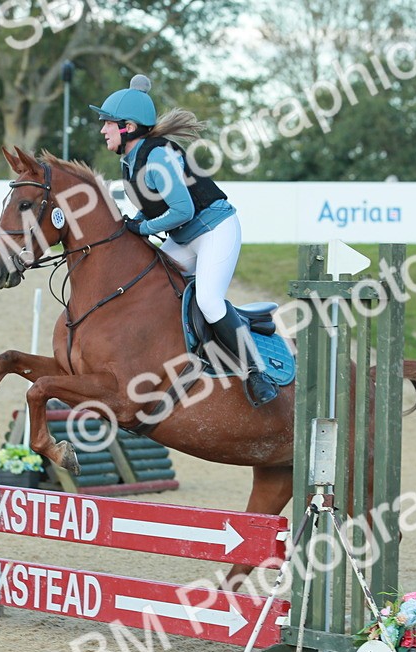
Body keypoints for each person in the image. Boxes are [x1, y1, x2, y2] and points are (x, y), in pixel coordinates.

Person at [90, 75, 278, 408]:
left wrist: (145, 228)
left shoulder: (157, 156)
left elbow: (182, 209)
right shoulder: (129, 161)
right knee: (146, 284)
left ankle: (256, 372)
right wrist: (136, 223)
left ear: (128, 127)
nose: (102, 129)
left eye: (108, 123)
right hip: (185, 238)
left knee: (208, 300)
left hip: (215, 231)